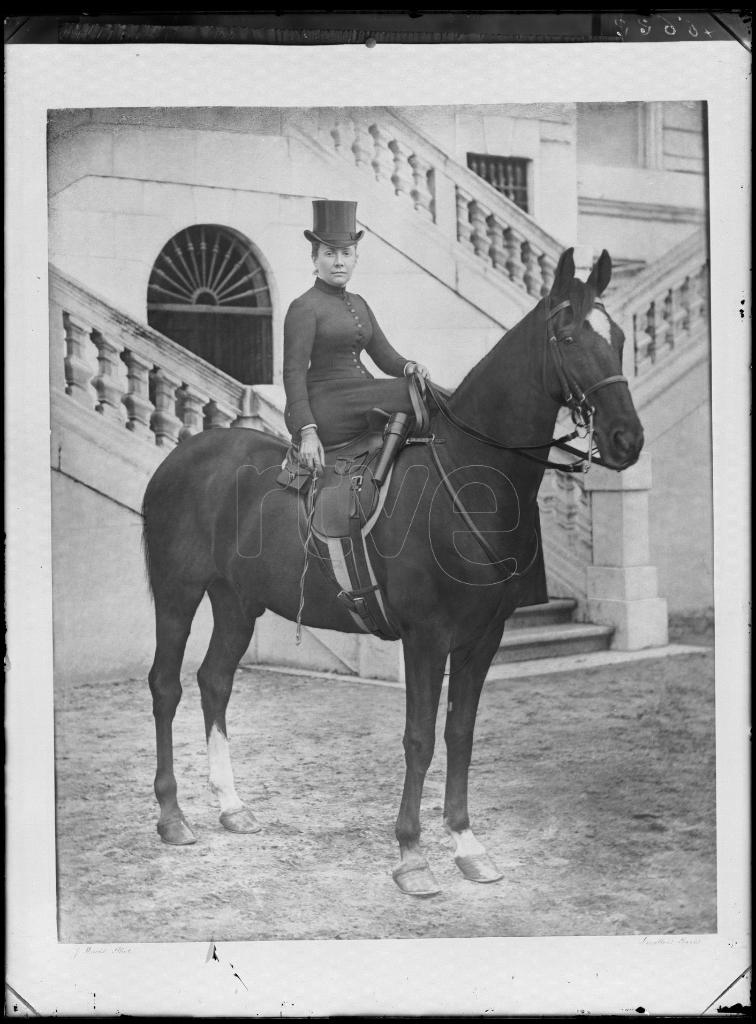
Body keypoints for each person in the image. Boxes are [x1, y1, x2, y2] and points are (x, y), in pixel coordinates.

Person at [283, 200, 429, 479]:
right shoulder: (304, 307)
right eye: (329, 253)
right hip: (326, 405)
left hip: (362, 395)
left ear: (355, 258)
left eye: (346, 253)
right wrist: (307, 430)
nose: (339, 261)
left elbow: (385, 356)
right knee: (416, 394)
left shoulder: (359, 303)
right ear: (315, 259)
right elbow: (293, 373)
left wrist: (409, 367)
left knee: (419, 386)